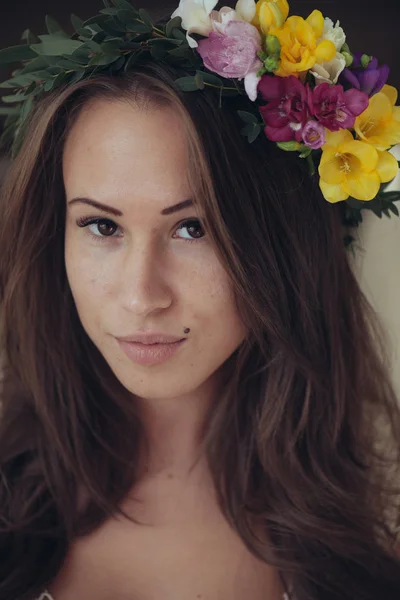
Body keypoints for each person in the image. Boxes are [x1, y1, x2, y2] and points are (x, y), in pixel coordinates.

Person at [0, 1, 400, 599]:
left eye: (194, 228)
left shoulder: (363, 545)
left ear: (281, 247)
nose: (141, 297)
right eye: (102, 227)